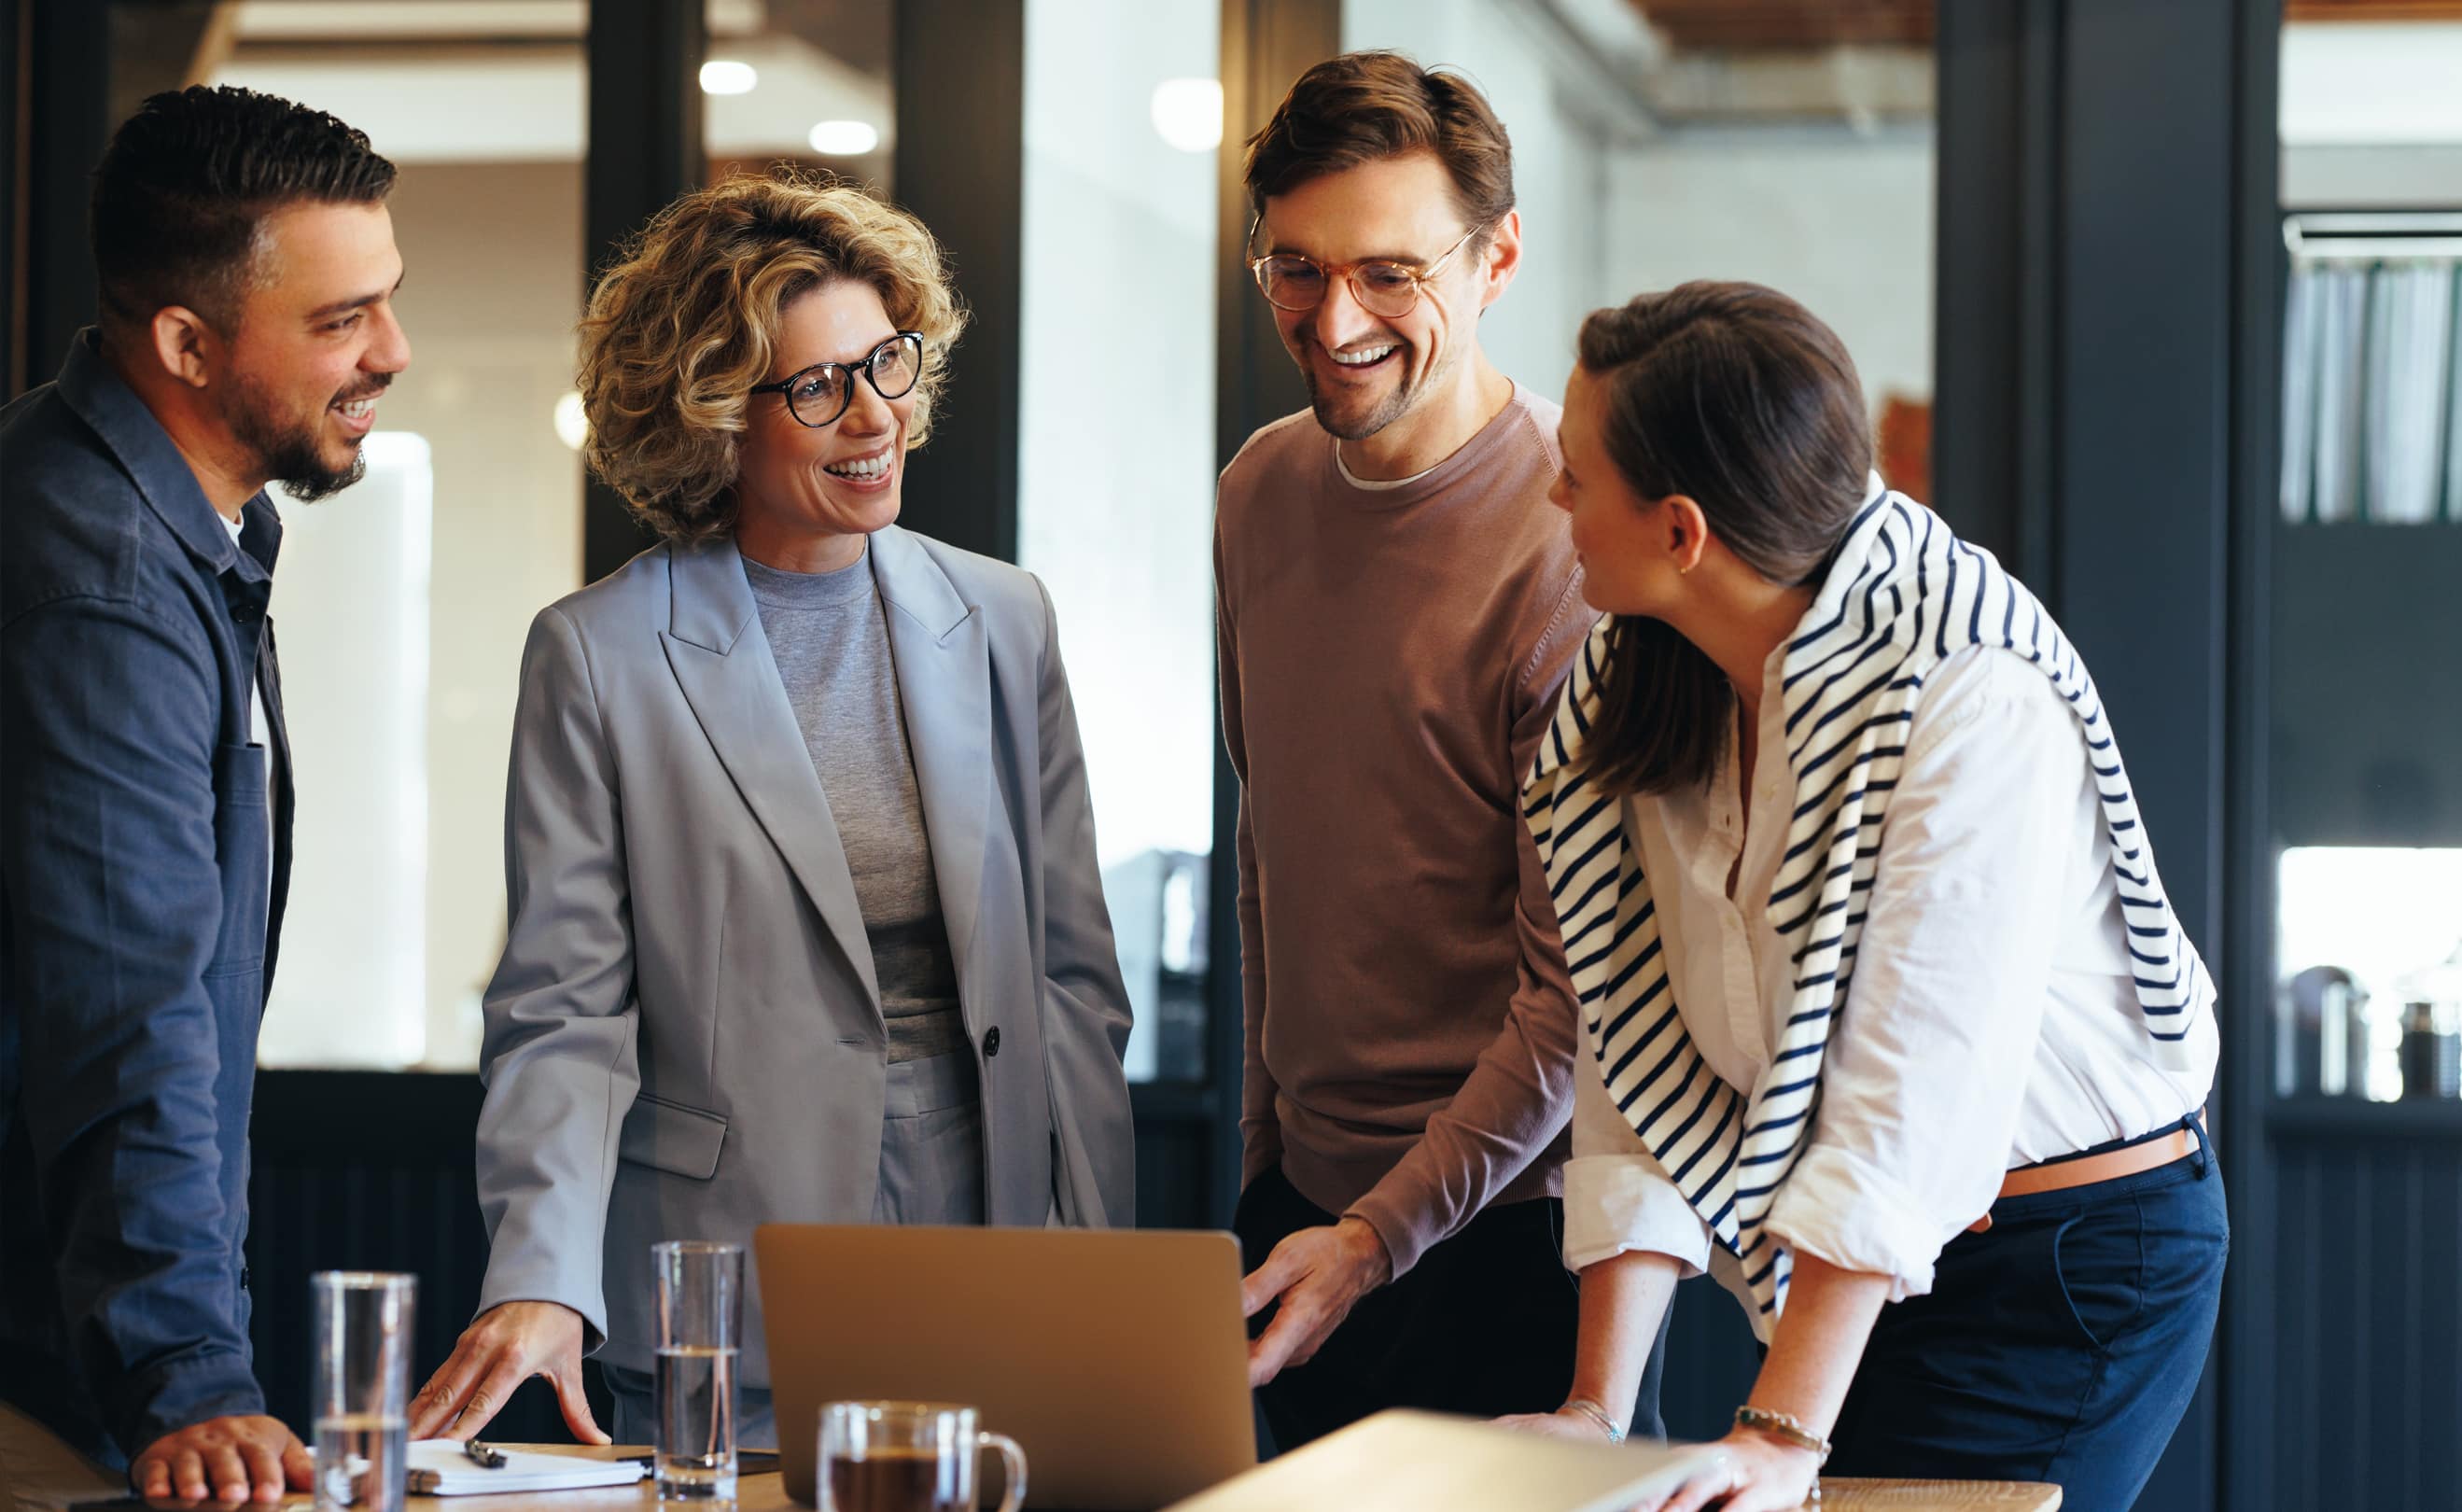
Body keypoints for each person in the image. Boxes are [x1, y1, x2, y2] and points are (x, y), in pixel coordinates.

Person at [407, 173, 1134, 1449]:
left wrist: (1096, 1270)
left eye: (888, 364)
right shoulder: (600, 654)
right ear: (713, 419)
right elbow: (562, 1011)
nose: (875, 416)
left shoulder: (1004, 617)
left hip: (992, 1253)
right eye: (816, 387)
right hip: (724, 1276)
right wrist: (540, 1273)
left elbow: (1074, 984)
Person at [1499, 281, 2226, 1512]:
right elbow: (1633, 1038)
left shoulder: (1969, 689)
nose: (1553, 499)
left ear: (1682, 531)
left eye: (1575, 474)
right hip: (1867, 1267)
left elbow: (1915, 1088)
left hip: (2068, 1267)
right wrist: (1597, 1408)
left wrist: (1781, 1431)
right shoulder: (1649, 672)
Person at [1218, 51, 1662, 1449]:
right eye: (1294, 267)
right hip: (1297, 1218)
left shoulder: (1573, 547)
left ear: (1499, 258)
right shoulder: (1259, 488)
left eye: (1389, 273)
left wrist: (1376, 1234)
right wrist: (1271, 1173)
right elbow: (1271, 849)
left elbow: (1574, 993)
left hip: (1505, 1235)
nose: (1334, 317)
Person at [0, 87, 409, 1506]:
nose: (392, 353)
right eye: (340, 319)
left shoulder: (180, 529)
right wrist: (187, 1376)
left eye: (389, 303)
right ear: (184, 342)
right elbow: (128, 999)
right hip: (46, 1380)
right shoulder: (102, 579)